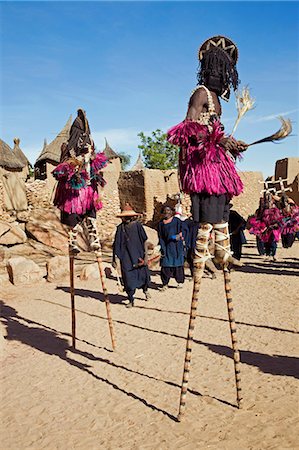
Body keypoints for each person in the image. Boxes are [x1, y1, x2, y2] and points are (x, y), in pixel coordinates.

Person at [167, 35, 248, 267]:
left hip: (216, 162)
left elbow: (215, 131)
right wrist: (219, 142)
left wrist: (231, 142)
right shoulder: (201, 93)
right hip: (202, 163)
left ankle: (223, 251)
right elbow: (188, 128)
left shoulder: (216, 100)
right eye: (219, 71)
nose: (221, 77)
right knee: (210, 207)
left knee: (223, 203)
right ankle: (201, 254)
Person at [52, 108, 107, 254]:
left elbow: (95, 167)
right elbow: (62, 166)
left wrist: (90, 157)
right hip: (73, 191)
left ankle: (94, 239)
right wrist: (75, 163)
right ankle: (72, 242)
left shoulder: (90, 144)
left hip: (88, 189)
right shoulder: (67, 146)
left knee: (91, 215)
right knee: (73, 217)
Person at [112, 204, 150, 308]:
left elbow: (144, 240)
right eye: (125, 217)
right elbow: (116, 244)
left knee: (142, 276)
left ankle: (145, 290)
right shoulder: (120, 228)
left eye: (129, 217)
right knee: (128, 278)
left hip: (139, 255)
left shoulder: (137, 226)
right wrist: (114, 259)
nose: (127, 218)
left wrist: (146, 256)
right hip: (126, 258)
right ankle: (131, 299)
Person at [157, 205, 187, 290]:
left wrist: (180, 235)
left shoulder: (177, 221)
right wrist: (161, 246)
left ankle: (180, 282)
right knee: (165, 265)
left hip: (176, 246)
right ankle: (165, 284)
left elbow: (184, 230)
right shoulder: (161, 224)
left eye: (168, 211)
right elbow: (160, 236)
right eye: (165, 211)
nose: (167, 213)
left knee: (178, 265)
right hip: (166, 247)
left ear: (172, 212)